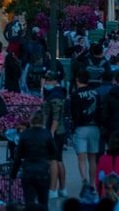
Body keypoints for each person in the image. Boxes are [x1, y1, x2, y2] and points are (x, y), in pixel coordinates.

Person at [9, 108, 56, 209]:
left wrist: (13, 174)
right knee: (43, 202)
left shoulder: (25, 134)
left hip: (28, 172)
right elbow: (54, 152)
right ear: (43, 121)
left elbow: (18, 157)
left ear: (31, 120)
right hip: (42, 172)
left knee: (29, 203)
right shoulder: (46, 134)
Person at [71, 67, 103, 197]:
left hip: (81, 127)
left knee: (81, 158)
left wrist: (74, 127)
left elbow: (74, 113)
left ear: (77, 80)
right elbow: (100, 110)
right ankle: (92, 184)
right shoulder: (95, 93)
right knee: (93, 158)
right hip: (94, 127)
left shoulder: (76, 94)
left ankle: (84, 180)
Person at [41, 69, 69, 199]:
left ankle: (52, 189)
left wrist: (51, 132)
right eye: (46, 79)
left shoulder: (55, 96)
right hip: (58, 131)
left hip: (55, 132)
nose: (47, 82)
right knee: (58, 159)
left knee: (53, 160)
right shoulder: (56, 93)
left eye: (49, 80)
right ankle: (62, 189)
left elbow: (56, 116)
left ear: (55, 81)